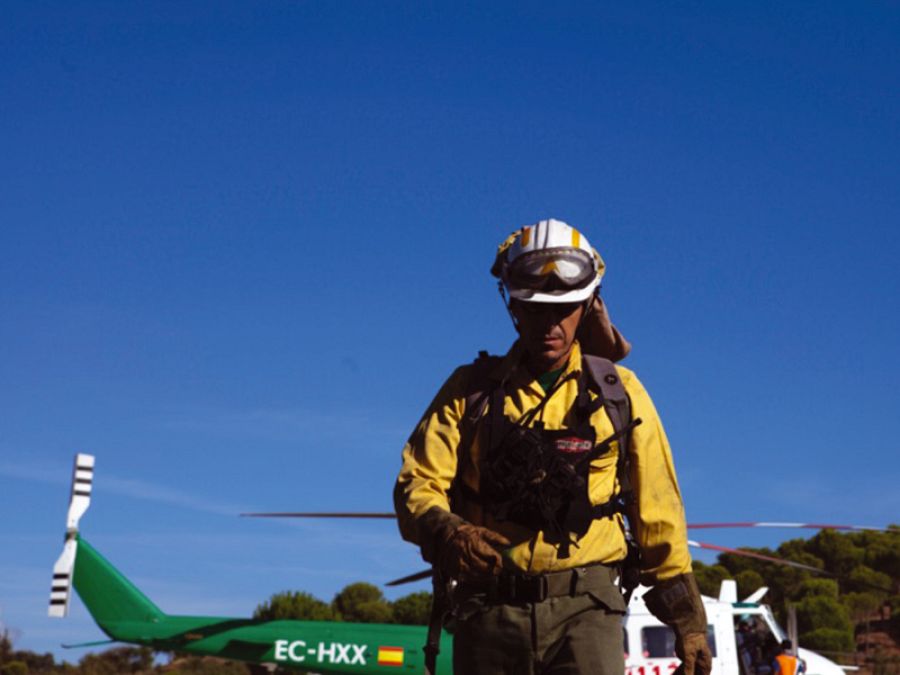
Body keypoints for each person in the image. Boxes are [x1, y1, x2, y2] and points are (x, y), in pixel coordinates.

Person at [394, 219, 712, 675]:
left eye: (563, 308)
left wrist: (688, 622)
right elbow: (416, 483)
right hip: (489, 612)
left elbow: (657, 508)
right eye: (535, 308)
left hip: (587, 611)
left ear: (586, 306)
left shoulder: (619, 393)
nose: (550, 323)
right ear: (514, 308)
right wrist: (450, 533)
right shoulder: (470, 391)